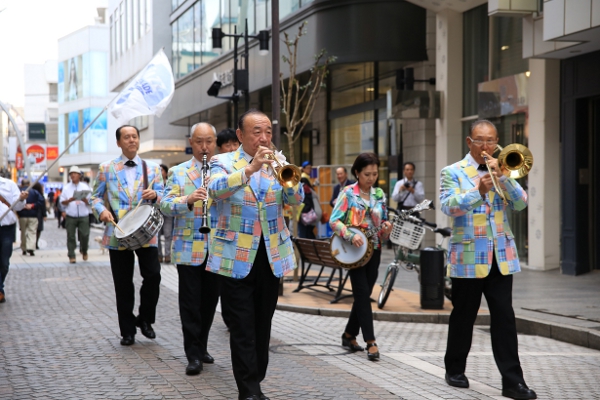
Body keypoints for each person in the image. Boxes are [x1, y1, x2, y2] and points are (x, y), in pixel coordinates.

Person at [207, 109, 304, 400]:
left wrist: (292, 182)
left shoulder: (279, 163)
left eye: (268, 132)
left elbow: (295, 201)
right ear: (240, 135)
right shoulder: (221, 162)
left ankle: (255, 379)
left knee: (263, 324)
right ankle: (249, 390)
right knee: (242, 325)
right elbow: (214, 191)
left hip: (270, 255)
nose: (263, 138)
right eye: (256, 132)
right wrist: (249, 170)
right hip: (234, 256)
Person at [440, 120, 536, 400]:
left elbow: (520, 203)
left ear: (497, 142)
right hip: (468, 257)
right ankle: (454, 368)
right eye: (480, 140)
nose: (486, 146)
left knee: (505, 318)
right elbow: (448, 206)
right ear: (469, 142)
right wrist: (477, 192)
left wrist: (503, 177)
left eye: (491, 140)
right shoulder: (453, 171)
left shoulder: (503, 168)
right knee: (464, 316)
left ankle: (513, 382)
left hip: (501, 256)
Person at [91, 125, 164, 346]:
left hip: (146, 231)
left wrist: (156, 194)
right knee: (123, 283)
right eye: (126, 137)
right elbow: (94, 197)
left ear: (138, 140)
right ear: (119, 142)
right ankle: (127, 331)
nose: (131, 140)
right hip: (118, 231)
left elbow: (166, 195)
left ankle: (145, 318)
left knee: (153, 276)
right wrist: (101, 210)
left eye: (134, 136)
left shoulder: (152, 168)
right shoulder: (107, 168)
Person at [161, 122, 220, 376]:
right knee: (190, 304)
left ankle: (202, 344)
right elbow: (164, 205)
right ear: (191, 142)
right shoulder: (178, 171)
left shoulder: (225, 170)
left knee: (209, 303)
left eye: (209, 141)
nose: (204, 147)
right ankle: (192, 354)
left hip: (218, 247)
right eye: (199, 141)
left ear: (215, 142)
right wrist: (187, 199)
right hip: (187, 248)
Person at [329, 152, 392, 361]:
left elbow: (383, 224)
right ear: (357, 172)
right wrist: (348, 234)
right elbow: (334, 221)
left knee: (362, 295)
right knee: (363, 294)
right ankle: (371, 342)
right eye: (367, 174)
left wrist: (387, 228)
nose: (371, 178)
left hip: (374, 249)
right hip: (353, 253)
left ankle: (348, 335)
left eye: (374, 174)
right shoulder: (347, 193)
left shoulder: (379, 195)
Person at [0, 177, 28, 303]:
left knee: (4, 263)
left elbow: (19, 207)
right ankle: (0, 290)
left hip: (7, 228)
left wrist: (21, 199)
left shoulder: (9, 184)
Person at [60, 166, 91, 263]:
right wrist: (69, 200)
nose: (72, 175)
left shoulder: (85, 187)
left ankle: (84, 250)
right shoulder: (66, 188)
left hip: (83, 214)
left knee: (85, 235)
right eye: (71, 174)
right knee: (71, 236)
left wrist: (85, 200)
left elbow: (91, 202)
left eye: (75, 173)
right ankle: (71, 255)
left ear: (79, 175)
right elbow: (62, 202)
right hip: (71, 215)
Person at [17, 179, 44, 256]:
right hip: (33, 214)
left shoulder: (19, 192)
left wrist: (22, 207)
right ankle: (31, 247)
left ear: (21, 184)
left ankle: (24, 248)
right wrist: (33, 205)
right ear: (29, 184)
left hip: (22, 215)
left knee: (23, 232)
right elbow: (41, 200)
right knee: (32, 231)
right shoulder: (34, 192)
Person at [157, 164, 174, 263]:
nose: (160, 172)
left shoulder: (170, 183)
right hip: (158, 212)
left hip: (168, 212)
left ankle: (167, 255)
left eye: (162, 170)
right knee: (157, 235)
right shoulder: (155, 183)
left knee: (168, 234)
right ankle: (159, 255)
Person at [32, 183, 47, 250]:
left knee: (32, 229)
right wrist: (44, 215)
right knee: (38, 229)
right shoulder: (41, 196)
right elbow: (43, 206)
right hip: (39, 214)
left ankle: (32, 243)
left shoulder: (31, 194)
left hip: (32, 213)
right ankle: (35, 243)